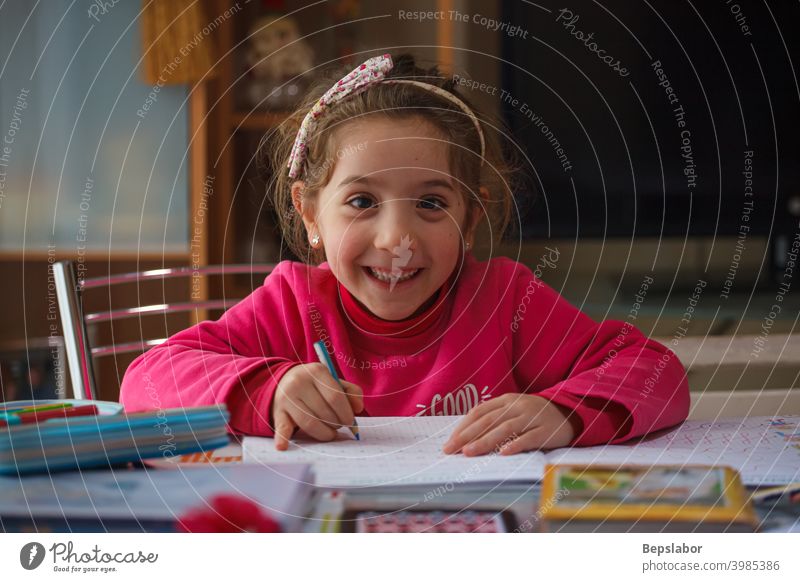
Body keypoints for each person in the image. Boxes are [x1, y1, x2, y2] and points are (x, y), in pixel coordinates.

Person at [119, 53, 689, 456]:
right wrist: (266, 389)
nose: (398, 238)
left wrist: (564, 413)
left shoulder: (503, 302)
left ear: (470, 214)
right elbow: (145, 381)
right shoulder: (292, 303)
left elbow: (659, 373)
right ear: (311, 212)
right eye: (363, 201)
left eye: (432, 203)